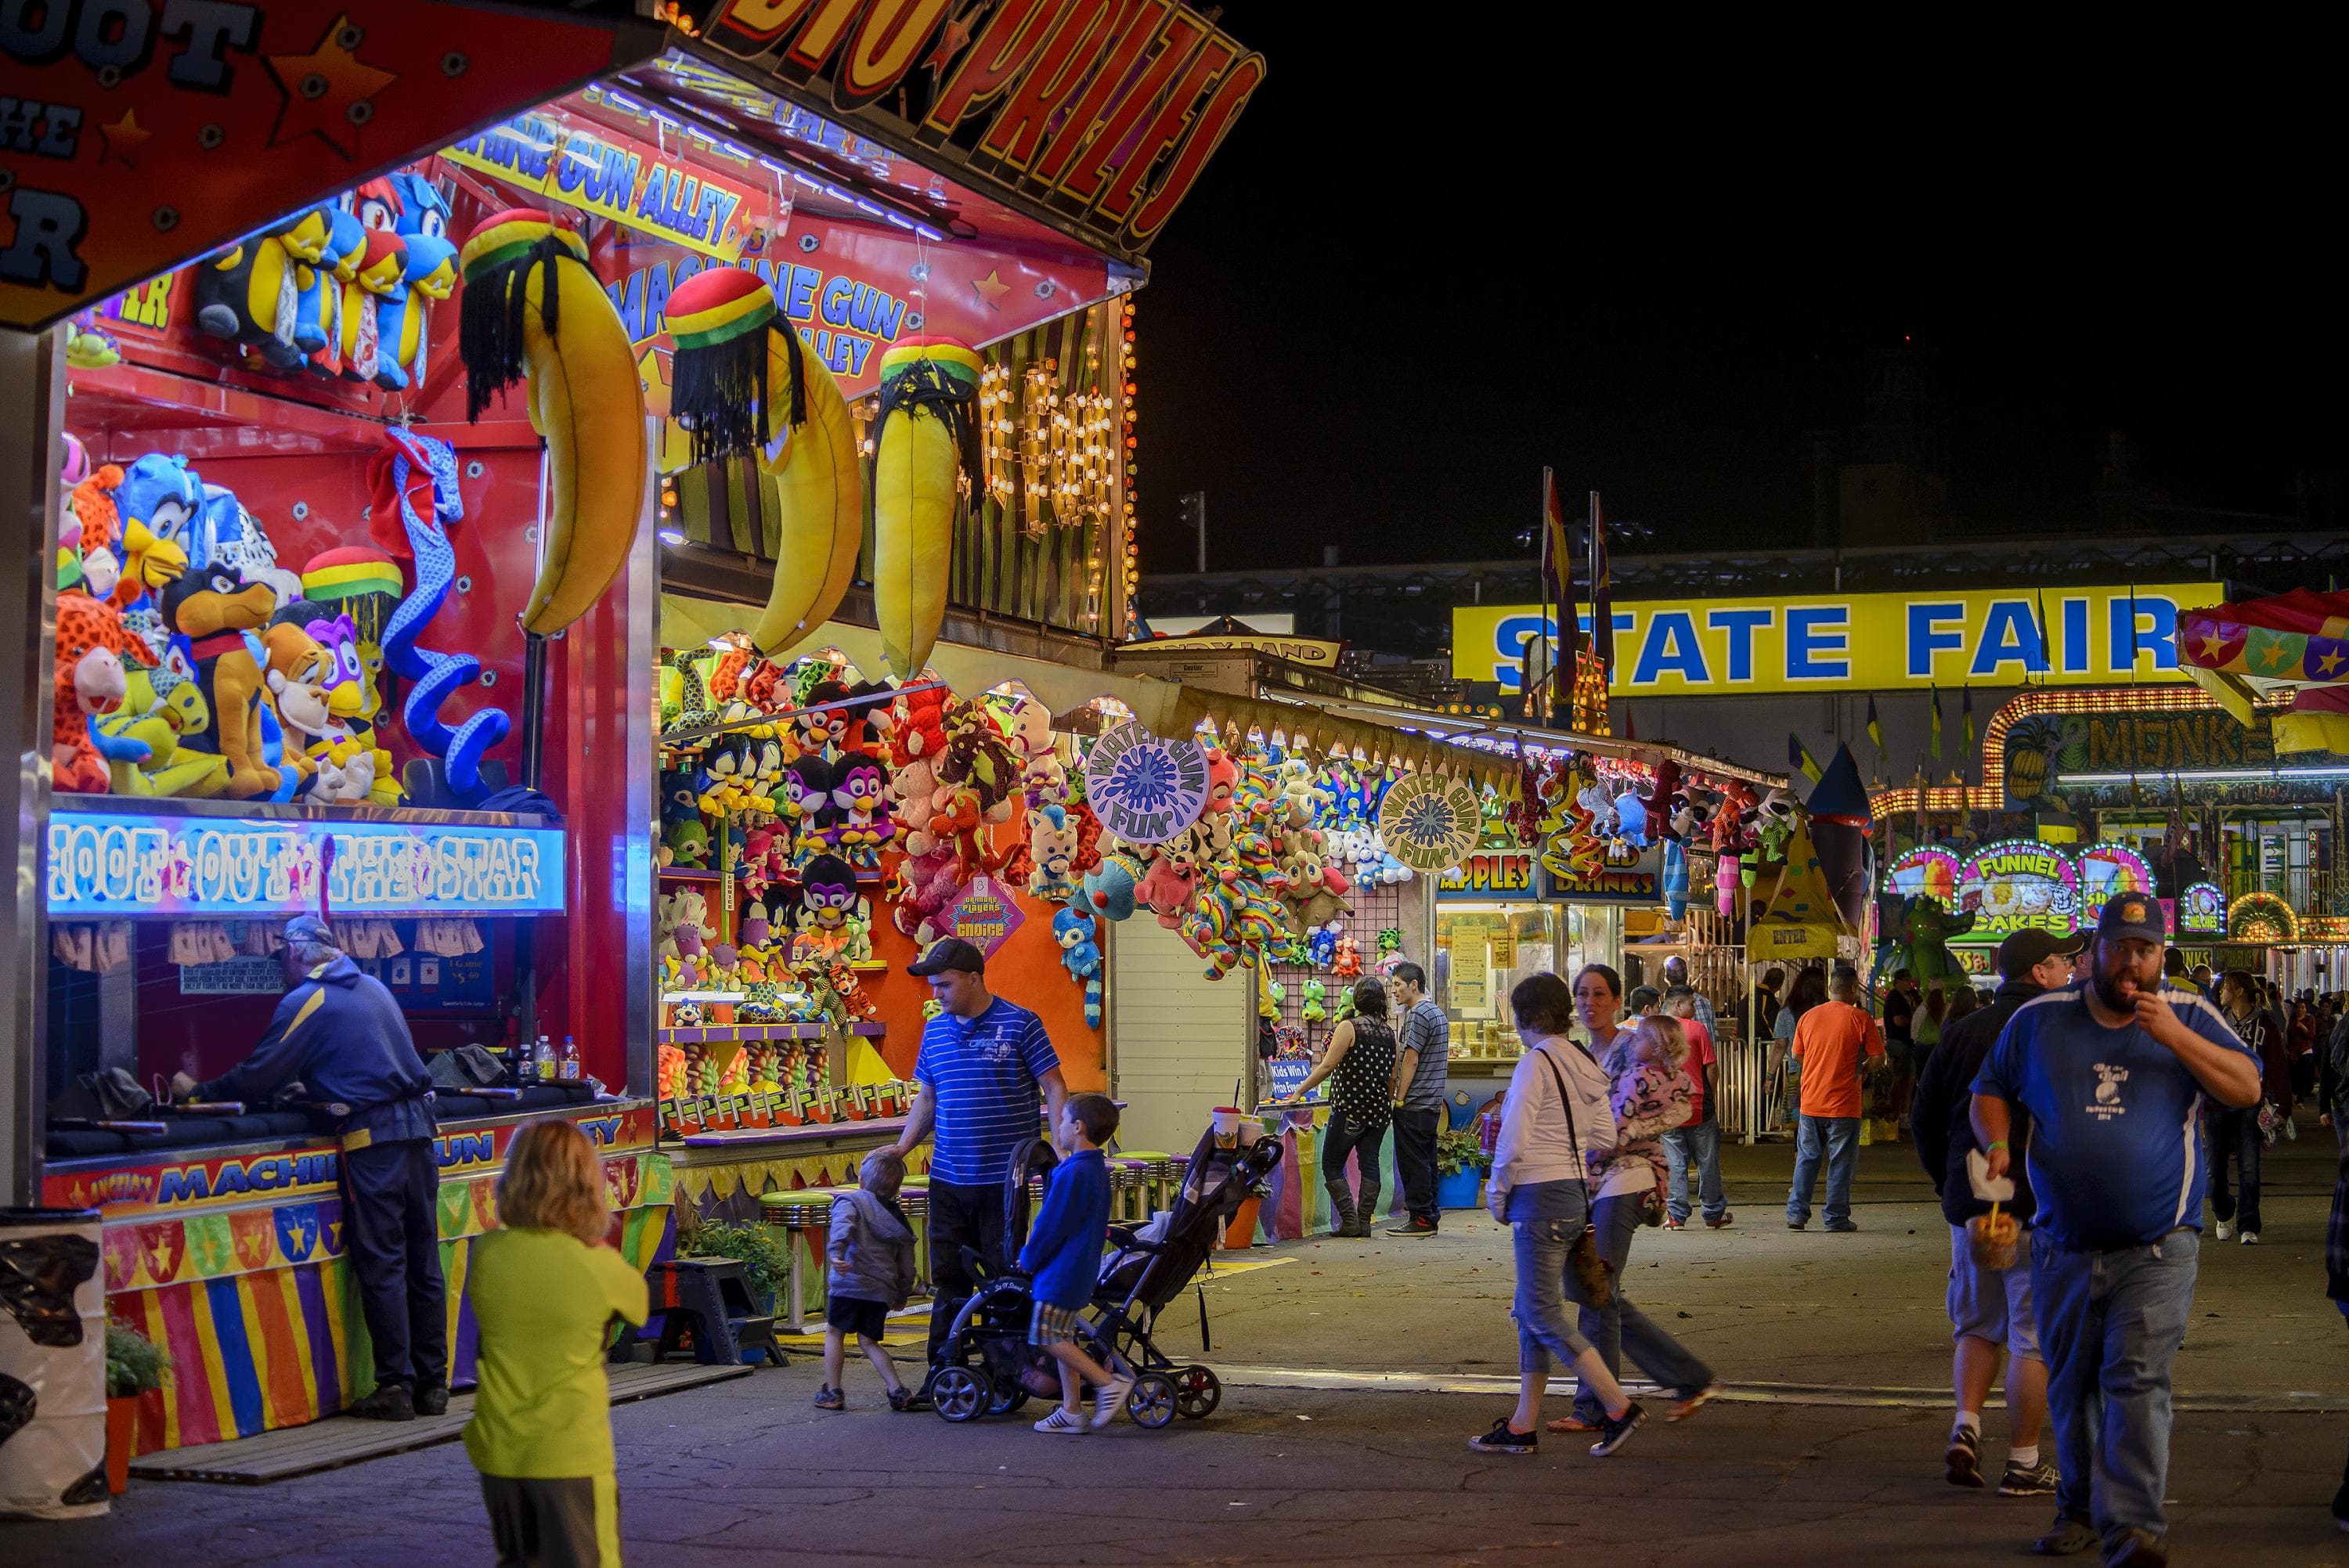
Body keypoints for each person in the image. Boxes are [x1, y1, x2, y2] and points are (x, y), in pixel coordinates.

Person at [1972, 892, 2261, 1564]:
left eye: (2146, 950)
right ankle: (2077, 1506)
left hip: (2159, 1244)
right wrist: (1997, 1147)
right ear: (2092, 951)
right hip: (2062, 1245)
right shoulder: (2039, 1019)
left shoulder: (2190, 1014)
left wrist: (2175, 1037)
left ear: (2162, 955)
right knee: (2072, 1383)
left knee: (2136, 1377)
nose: (2132, 963)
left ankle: (2133, 1526)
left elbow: (2246, 1087)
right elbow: (1990, 1087)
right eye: (2120, 947)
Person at [171, 914, 445, 1420]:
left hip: (375, 1141)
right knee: (422, 1261)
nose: (281, 968)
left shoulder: (309, 1000)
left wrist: (198, 1093)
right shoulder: (375, 988)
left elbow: (258, 1074)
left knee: (383, 1262)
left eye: (280, 958)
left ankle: (395, 1386)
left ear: (296, 953)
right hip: (421, 1137)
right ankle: (434, 1384)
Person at [1913, 928, 2080, 1500]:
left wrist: (1950, 1184)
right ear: (2039, 972)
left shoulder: (1962, 1031)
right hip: (2039, 1205)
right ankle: (2025, 1459)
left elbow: (1925, 1116)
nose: (2068, 971)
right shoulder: (2061, 1031)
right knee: (2031, 1336)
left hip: (1975, 1207)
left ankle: (1967, 1423)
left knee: (1977, 1325)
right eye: (2062, 962)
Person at [1469, 971, 1647, 1458]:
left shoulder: (1534, 1063)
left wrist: (1497, 1192)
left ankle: (1618, 1407)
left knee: (1542, 1314)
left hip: (1537, 1199)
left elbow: (1514, 1139)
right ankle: (1523, 1424)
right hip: (1573, 1197)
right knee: (1532, 1310)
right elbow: (1605, 1141)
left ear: (1524, 1017)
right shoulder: (1585, 1063)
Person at [464, 1119, 649, 1568]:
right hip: (570, 1453)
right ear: (587, 1184)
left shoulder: (486, 1252)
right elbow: (638, 1306)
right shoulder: (598, 1265)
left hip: (500, 1450)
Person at [889, 937, 1067, 1390]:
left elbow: (1052, 1084)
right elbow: (927, 1098)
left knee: (1004, 1280)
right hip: (948, 1179)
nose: (937, 995)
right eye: (933, 986)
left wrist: (1063, 1148)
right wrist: (900, 1148)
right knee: (949, 1281)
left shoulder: (1020, 1024)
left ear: (973, 978)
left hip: (1001, 1184)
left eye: (944, 985)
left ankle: (1008, 1372)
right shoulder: (934, 1032)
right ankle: (944, 1372)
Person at [1552, 964, 1721, 1435]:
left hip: (1628, 1179)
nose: (1590, 1002)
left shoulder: (1636, 1044)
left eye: (1599, 994)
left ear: (1617, 998)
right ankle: (1687, 1378)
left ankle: (1596, 1405)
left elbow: (1684, 1101)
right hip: (1589, 1182)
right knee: (1597, 1291)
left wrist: (1624, 1137)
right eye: (1582, 994)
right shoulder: (1580, 1054)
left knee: (1596, 1290)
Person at [1019, 1092, 1131, 1433]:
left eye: (1064, 1120)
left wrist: (1028, 1257)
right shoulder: (1094, 1169)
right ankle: (1071, 1410)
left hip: (1060, 1273)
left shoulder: (1072, 1174)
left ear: (1078, 1127)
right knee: (1063, 1337)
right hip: (1079, 1269)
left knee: (1045, 1337)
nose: (1059, 1126)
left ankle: (1107, 1383)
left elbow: (1051, 1225)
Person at [1284, 977, 1398, 1237]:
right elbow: (1392, 1077)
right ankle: (1364, 1222)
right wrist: (1385, 1103)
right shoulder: (1389, 1033)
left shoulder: (1349, 1027)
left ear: (1357, 1000)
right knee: (1370, 1162)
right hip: (1379, 1111)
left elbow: (1327, 1066)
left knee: (1332, 1163)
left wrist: (1299, 1091)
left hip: (1350, 1109)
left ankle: (1349, 1221)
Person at [814, 1147, 918, 1411]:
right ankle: (897, 1389)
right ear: (896, 1190)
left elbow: (842, 1226)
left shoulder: (852, 1202)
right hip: (880, 1290)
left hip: (850, 1282)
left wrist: (837, 1252)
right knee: (868, 1342)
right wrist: (902, 1294)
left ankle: (833, 1391)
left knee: (835, 1333)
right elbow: (907, 1264)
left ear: (861, 1181)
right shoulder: (898, 1221)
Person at [1785, 971, 1884, 1232]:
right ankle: (1836, 1218)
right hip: (1845, 1105)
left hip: (1811, 1103)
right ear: (1853, 988)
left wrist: (1820, 1066)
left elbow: (1797, 1055)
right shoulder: (1860, 1019)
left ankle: (1796, 1214)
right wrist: (1860, 1069)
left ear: (1830, 988)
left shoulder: (1808, 1017)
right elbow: (1878, 1058)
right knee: (1841, 1162)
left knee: (1807, 1158)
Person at [2210, 970, 2291, 1245]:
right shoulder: (2216, 1023)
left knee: (2249, 1168)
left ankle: (2248, 1224)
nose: (2220, 993)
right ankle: (2223, 1211)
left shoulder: (2265, 1026)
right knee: (2214, 1169)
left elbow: (2278, 1067)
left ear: (2239, 991)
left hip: (2250, 1105)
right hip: (2216, 1104)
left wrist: (2283, 1107)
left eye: (2225, 988)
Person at [1385, 961, 1450, 1237]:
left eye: (1398, 985)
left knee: (1413, 1163)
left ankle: (1420, 1218)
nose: (1394, 991)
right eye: (1392, 986)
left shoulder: (1418, 1014)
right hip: (1432, 1102)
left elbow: (1411, 1059)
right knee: (1426, 1160)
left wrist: (1399, 1098)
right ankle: (1429, 1215)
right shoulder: (1437, 1012)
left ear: (1414, 985)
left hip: (1415, 1101)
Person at [1659, 984, 1730, 1230]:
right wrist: (1709, 1094)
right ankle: (1712, 1214)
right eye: (1691, 1003)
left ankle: (1676, 1216)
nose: (1694, 1008)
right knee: (1707, 1161)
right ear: (1679, 1005)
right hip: (1699, 1107)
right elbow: (1712, 1066)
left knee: (1676, 1163)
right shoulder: (1697, 1029)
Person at [1774, 966, 1828, 1130]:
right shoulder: (1827, 1009)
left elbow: (1780, 1045)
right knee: (1823, 1115)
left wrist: (1770, 1076)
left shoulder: (1787, 1012)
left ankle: (1799, 1152)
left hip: (1797, 1070)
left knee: (1798, 1119)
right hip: (1824, 1070)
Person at [1660, 955, 1717, 1038]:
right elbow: (1713, 1035)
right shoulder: (1706, 1003)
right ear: (1687, 977)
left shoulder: (1667, 1006)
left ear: (1667, 979)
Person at [1755, 966, 1786, 1041]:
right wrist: (1775, 1040)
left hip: (1744, 1047)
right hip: (1760, 1048)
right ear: (1780, 984)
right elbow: (1769, 1025)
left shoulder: (1750, 995)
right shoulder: (1768, 1000)